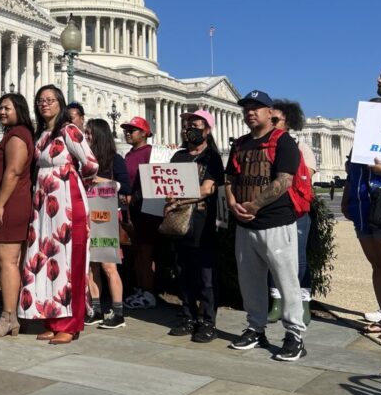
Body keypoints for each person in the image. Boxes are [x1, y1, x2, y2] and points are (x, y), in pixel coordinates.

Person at [226, 90, 306, 362]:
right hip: (244, 224)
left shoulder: (283, 142)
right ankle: (255, 327)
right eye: (247, 108)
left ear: (270, 112)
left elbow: (284, 180)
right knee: (250, 281)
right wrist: (233, 203)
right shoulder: (240, 144)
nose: (250, 112)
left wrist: (254, 205)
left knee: (286, 280)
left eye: (256, 107)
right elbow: (230, 179)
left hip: (275, 222)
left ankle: (294, 333)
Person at [19, 85, 99, 345]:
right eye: (40, 100)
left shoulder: (69, 130)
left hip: (66, 200)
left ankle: (71, 323)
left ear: (60, 103)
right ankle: (53, 319)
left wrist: (71, 180)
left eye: (50, 100)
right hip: (43, 204)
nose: (45, 104)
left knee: (69, 261)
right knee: (45, 259)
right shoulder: (41, 135)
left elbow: (91, 163)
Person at [164, 110, 224, 343]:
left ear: (207, 130)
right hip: (179, 223)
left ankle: (207, 321)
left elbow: (207, 188)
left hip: (204, 223)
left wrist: (179, 198)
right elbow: (167, 185)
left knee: (206, 276)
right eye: (188, 125)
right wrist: (171, 198)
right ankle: (188, 315)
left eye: (196, 125)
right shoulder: (178, 156)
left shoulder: (212, 157)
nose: (190, 129)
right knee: (183, 272)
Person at [0, 93, 34, 337]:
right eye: (0, 108)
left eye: (7, 108)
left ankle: (8, 317)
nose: (2, 112)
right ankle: (14, 316)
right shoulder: (18, 134)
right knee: (13, 263)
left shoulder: (16, 136)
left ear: (19, 110)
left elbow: (13, 172)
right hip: (14, 204)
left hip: (10, 206)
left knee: (7, 263)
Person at [342, 67, 381, 336]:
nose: (378, 79)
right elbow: (353, 166)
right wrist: (348, 195)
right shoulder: (368, 123)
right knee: (377, 265)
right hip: (362, 200)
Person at [267, 100, 317, 325]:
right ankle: (277, 302)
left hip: (296, 209)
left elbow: (306, 178)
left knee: (299, 258)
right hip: (272, 210)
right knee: (273, 257)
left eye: (275, 119)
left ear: (288, 121)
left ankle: (302, 302)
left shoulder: (300, 146)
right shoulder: (263, 145)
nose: (271, 123)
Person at [84, 118, 131, 330]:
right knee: (90, 265)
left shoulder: (115, 160)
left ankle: (118, 312)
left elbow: (126, 188)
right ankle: (95, 309)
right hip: (87, 215)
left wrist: (100, 181)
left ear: (100, 135)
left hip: (107, 216)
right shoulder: (84, 160)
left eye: (89, 133)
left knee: (108, 265)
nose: (85, 136)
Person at [121, 116, 161, 310]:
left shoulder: (151, 153)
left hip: (147, 209)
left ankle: (149, 291)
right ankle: (141, 288)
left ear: (144, 133)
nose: (127, 133)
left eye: (132, 130)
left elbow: (154, 179)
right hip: (132, 209)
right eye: (126, 130)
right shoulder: (129, 155)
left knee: (146, 252)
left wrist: (135, 196)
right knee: (137, 251)